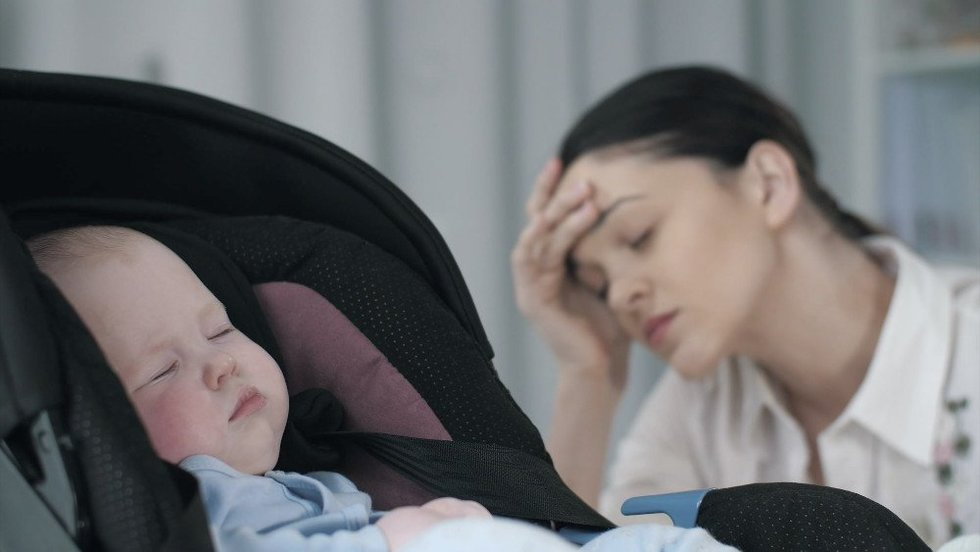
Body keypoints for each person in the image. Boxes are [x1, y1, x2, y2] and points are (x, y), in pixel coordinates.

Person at [28, 225, 737, 552]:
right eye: (161, 370)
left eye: (220, 331)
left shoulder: (303, 484)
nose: (220, 365)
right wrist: (400, 537)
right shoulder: (200, 508)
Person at [511, 65, 979, 549]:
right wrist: (588, 375)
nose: (619, 296)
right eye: (599, 284)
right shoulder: (699, 409)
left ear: (769, 183)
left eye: (639, 236)